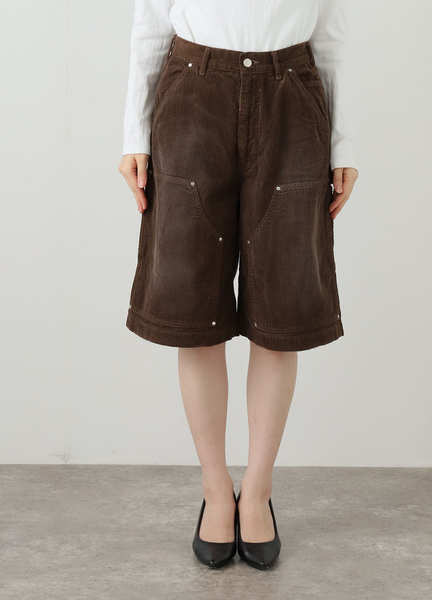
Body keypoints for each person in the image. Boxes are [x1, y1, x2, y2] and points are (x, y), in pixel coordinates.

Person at [118, 0, 359, 570]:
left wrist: (344, 143)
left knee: (281, 311)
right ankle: (214, 488)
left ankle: (257, 489)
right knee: (193, 308)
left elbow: (332, 32)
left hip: (292, 95)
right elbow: (151, 21)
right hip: (192, 93)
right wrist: (134, 133)